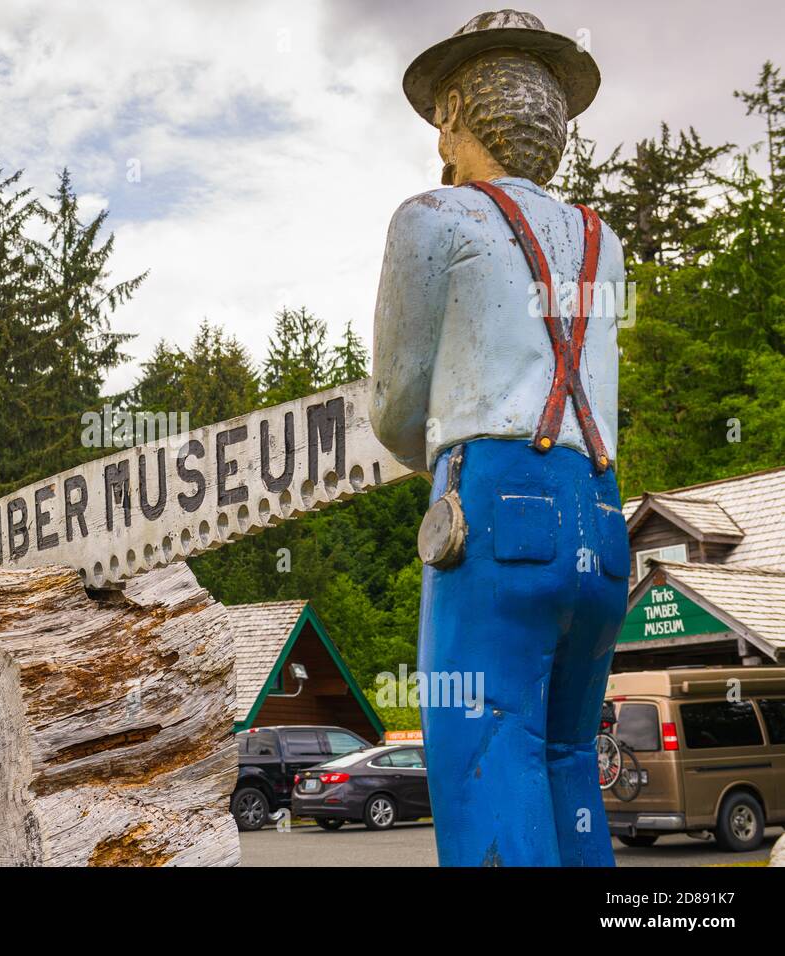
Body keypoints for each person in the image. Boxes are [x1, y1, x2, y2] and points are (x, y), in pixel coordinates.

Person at [370, 11, 628, 866]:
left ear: (451, 113)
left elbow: (398, 407)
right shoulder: (604, 242)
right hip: (599, 517)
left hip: (493, 511)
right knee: (566, 759)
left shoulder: (432, 218)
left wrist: (430, 447)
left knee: (483, 755)